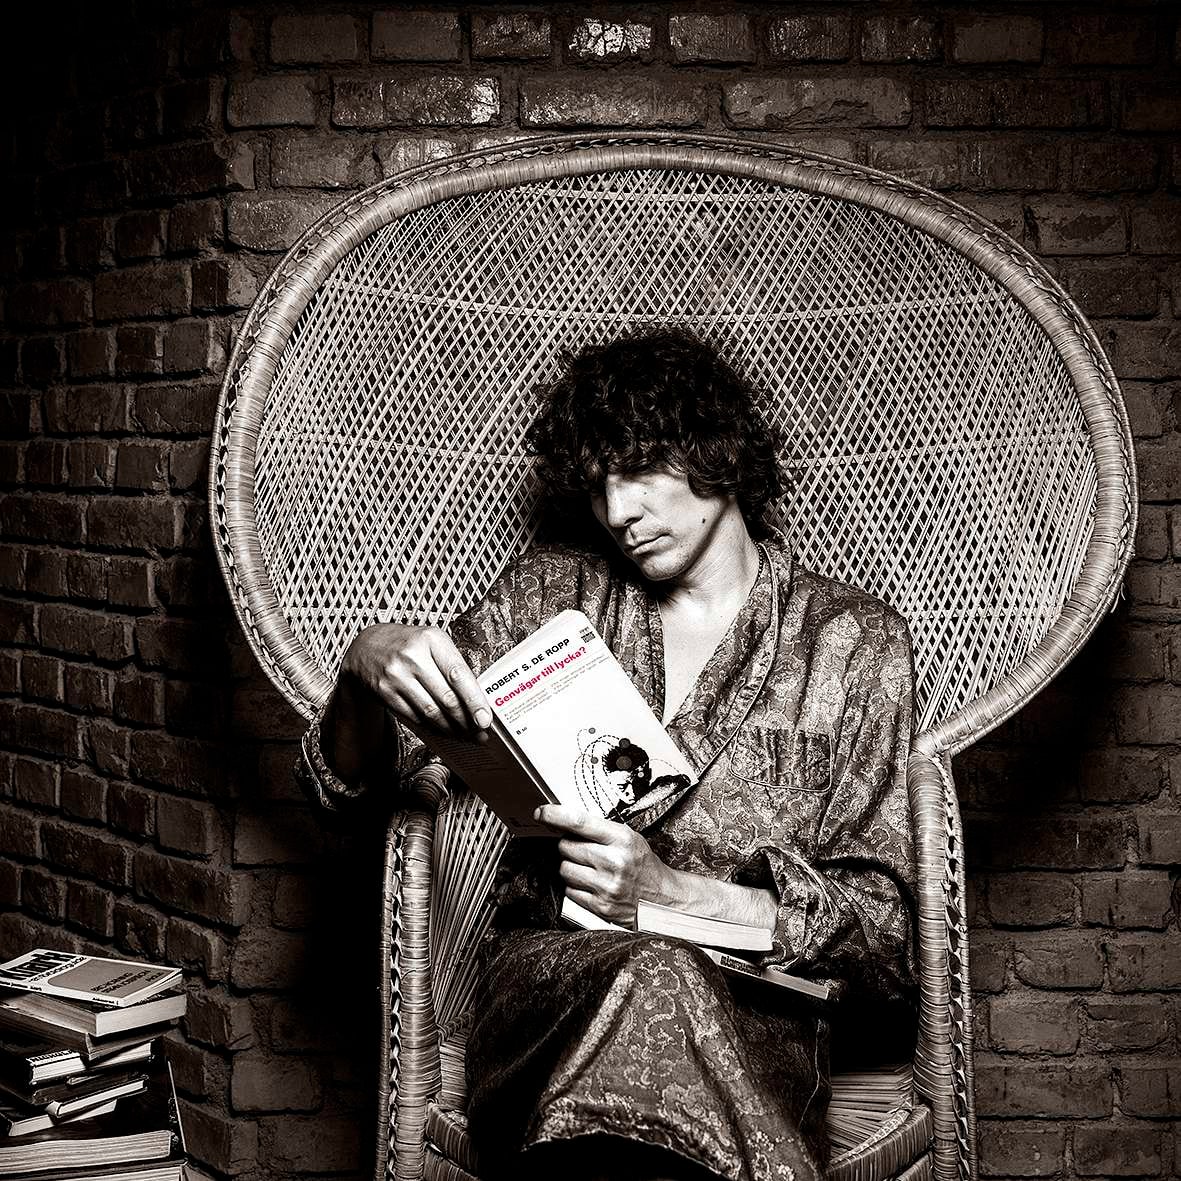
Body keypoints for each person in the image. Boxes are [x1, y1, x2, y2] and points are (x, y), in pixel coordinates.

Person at [300, 328, 919, 1181]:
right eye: (596, 485)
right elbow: (350, 788)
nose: (617, 510)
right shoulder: (550, 596)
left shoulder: (852, 644)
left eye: (639, 470)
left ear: (718, 453)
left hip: (756, 1020)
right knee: (648, 975)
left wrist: (674, 896)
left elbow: (887, 940)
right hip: (551, 997)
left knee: (664, 971)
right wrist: (363, 669)